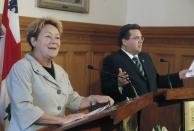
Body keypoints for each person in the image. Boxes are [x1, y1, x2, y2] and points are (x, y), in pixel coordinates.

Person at [6, 17, 114, 131]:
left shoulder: (60, 71)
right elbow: (24, 108)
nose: (54, 41)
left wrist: (93, 99)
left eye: (57, 37)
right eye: (48, 36)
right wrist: (61, 120)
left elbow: (72, 100)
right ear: (34, 41)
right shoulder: (21, 68)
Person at [101, 24, 190, 103]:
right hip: (129, 110)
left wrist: (178, 76)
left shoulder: (145, 57)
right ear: (124, 41)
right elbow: (105, 89)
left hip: (150, 109)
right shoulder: (113, 60)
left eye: (141, 38)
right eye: (136, 38)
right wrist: (119, 83)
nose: (141, 41)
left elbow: (155, 80)